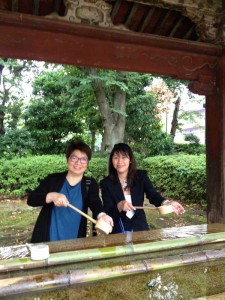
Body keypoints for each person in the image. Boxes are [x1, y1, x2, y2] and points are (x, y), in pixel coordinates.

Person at [27, 140, 113, 243]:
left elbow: (95, 202)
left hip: (74, 240)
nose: (78, 163)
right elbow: (31, 199)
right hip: (47, 239)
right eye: (74, 158)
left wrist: (102, 215)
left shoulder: (89, 184)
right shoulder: (53, 179)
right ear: (67, 159)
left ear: (87, 163)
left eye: (83, 159)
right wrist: (52, 196)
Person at [100, 143, 185, 234]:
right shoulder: (106, 183)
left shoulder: (141, 177)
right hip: (118, 231)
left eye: (124, 157)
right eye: (116, 158)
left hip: (140, 228)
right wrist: (119, 206)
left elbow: (153, 195)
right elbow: (108, 211)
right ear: (112, 161)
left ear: (130, 160)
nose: (120, 161)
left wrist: (167, 202)